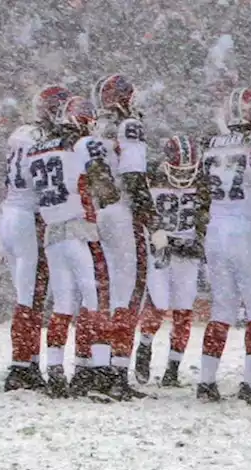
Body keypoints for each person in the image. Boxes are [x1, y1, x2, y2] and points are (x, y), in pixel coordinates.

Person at [28, 97, 121, 398]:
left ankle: (55, 371)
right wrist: (109, 194)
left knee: (62, 305)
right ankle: (97, 370)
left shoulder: (37, 148)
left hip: (53, 233)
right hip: (79, 230)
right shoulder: (82, 145)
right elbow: (103, 186)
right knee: (94, 301)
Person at [191, 87, 251, 402]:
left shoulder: (211, 143)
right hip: (246, 226)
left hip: (216, 226)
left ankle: (206, 381)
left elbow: (201, 190)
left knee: (221, 309)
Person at [91, 74, 155, 399]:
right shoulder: (129, 126)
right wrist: (151, 220)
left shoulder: (94, 127)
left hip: (99, 213)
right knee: (129, 294)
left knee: (105, 294)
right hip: (122, 212)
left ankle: (99, 370)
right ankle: (118, 373)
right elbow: (133, 176)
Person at [2, 85, 69, 392]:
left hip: (11, 211)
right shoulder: (45, 139)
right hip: (29, 215)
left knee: (29, 292)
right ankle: (20, 367)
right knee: (29, 295)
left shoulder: (20, 132)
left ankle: (28, 361)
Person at [136, 136, 211, 387]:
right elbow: (141, 208)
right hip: (161, 248)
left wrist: (200, 239)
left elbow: (204, 216)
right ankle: (144, 350)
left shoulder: (202, 181)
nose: (184, 175)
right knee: (157, 304)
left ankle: (173, 367)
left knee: (184, 310)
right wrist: (156, 236)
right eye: (179, 169)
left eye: (189, 170)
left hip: (187, 251)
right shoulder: (152, 177)